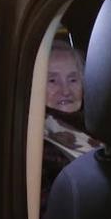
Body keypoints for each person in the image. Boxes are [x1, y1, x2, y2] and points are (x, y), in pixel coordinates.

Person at [41, 39, 102, 199]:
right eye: (53, 80)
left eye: (73, 79)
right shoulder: (39, 148)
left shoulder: (102, 126)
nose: (66, 91)